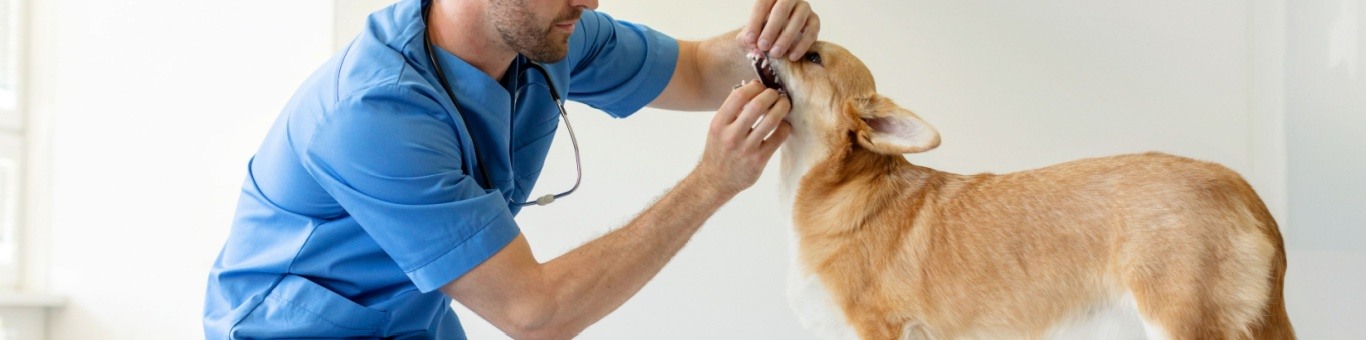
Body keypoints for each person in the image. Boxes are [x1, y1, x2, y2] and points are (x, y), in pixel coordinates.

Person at [203, 0, 819, 338]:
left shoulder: (547, 34)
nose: (591, 0)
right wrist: (712, 182)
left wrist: (771, 43)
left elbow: (695, 71)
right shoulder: (373, 113)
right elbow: (534, 313)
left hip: (410, 319)